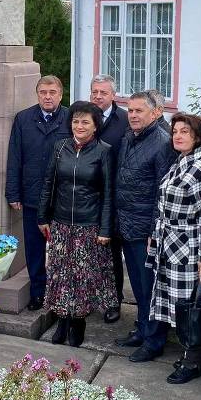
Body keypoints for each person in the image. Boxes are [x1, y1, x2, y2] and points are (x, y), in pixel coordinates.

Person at [147, 113, 201, 384]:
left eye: (184, 132)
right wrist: (155, 235)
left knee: (190, 306)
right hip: (172, 244)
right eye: (175, 131)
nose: (177, 136)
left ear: (197, 136)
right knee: (184, 304)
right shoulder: (182, 161)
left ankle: (193, 361)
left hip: (189, 249)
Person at [37, 101, 115, 348]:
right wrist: (42, 217)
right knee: (61, 274)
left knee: (81, 277)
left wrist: (105, 229)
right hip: (60, 222)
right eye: (75, 121)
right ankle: (62, 320)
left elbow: (108, 194)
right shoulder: (60, 147)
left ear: (95, 126)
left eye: (85, 122)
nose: (79, 126)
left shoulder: (103, 151)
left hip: (88, 225)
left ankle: (78, 322)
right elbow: (48, 182)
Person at [114, 90, 178, 362]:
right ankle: (141, 329)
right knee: (139, 286)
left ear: (155, 113)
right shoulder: (130, 136)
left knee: (150, 288)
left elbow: (162, 192)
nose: (133, 115)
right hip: (127, 224)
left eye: (139, 110)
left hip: (145, 230)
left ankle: (154, 341)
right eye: (130, 110)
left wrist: (154, 230)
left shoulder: (162, 142)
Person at [6, 75, 70, 311]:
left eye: (52, 92)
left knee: (62, 249)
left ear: (60, 95)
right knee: (34, 248)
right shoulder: (23, 119)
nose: (47, 97)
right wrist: (13, 193)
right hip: (32, 194)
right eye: (43, 92)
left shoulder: (70, 118)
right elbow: (14, 157)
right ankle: (37, 293)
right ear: (37, 94)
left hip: (62, 197)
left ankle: (60, 294)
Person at [89, 74, 127, 323]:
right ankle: (89, 297)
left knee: (112, 252)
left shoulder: (124, 119)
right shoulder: (84, 115)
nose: (98, 97)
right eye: (95, 92)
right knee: (87, 251)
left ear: (113, 95)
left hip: (113, 196)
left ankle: (114, 301)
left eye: (103, 92)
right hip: (86, 195)